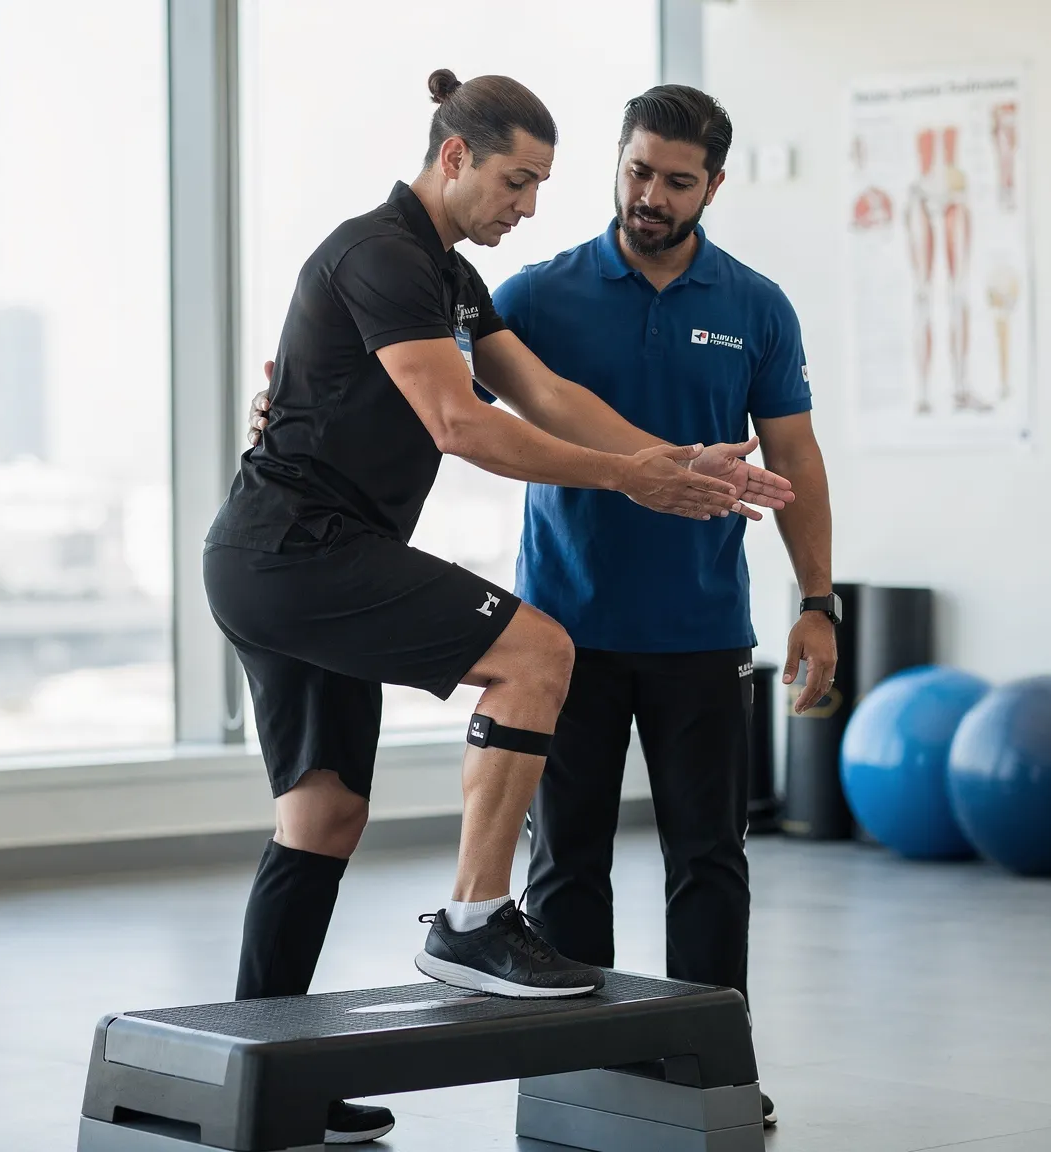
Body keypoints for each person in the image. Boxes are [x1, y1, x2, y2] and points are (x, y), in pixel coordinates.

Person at [206, 69, 794, 1145]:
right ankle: (474, 920)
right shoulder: (383, 255)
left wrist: (675, 463)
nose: (526, 208)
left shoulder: (452, 282)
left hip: (296, 560)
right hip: (294, 552)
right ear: (452, 159)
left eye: (539, 188)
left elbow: (546, 396)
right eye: (516, 183)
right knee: (534, 652)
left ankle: (267, 1076)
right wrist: (627, 480)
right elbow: (461, 425)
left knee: (323, 812)